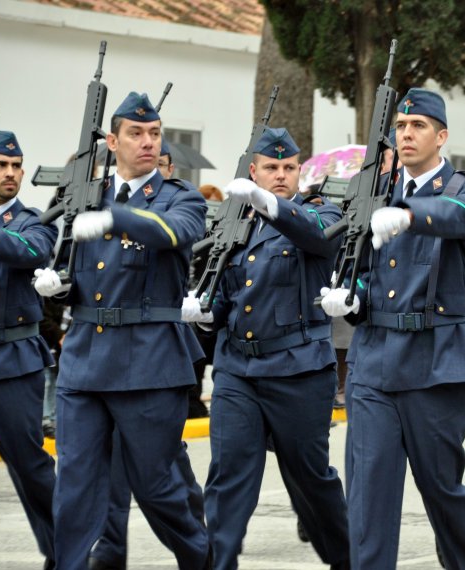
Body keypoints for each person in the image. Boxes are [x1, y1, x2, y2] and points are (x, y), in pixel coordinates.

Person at [33, 92, 210, 570]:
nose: (148, 142)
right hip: (84, 363)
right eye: (136, 133)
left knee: (157, 488)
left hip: (148, 364)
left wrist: (117, 216)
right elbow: (74, 268)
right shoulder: (84, 198)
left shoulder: (181, 197)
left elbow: (174, 233)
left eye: (154, 133)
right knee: (74, 486)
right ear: (112, 142)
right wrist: (57, 284)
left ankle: (201, 559)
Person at [321, 87, 465, 569]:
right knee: (368, 495)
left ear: (441, 136)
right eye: (401, 126)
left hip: (437, 364)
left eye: (418, 126)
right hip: (374, 361)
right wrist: (352, 296)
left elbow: (463, 218)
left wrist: (409, 216)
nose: (407, 134)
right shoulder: (375, 193)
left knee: (441, 490)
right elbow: (362, 268)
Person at [186, 126, 350, 570]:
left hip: (298, 371)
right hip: (238, 370)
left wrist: (269, 205)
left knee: (310, 481)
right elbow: (228, 295)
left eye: (289, 168)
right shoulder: (234, 223)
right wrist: (206, 311)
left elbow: (318, 236)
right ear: (253, 171)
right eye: (271, 168)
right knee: (228, 478)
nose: (280, 175)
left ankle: (347, 560)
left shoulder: (320, 212)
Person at [87, 136, 207, 570]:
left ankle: (197, 540)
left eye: (163, 161)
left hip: (156, 358)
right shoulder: (99, 199)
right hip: (101, 357)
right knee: (105, 469)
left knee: (162, 471)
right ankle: (108, 547)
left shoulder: (177, 204)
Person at [0, 130, 58, 569]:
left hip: (11, 367)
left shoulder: (33, 222)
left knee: (32, 471)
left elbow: (28, 252)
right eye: (1, 165)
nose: (11, 173)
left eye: (17, 166)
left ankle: (68, 554)